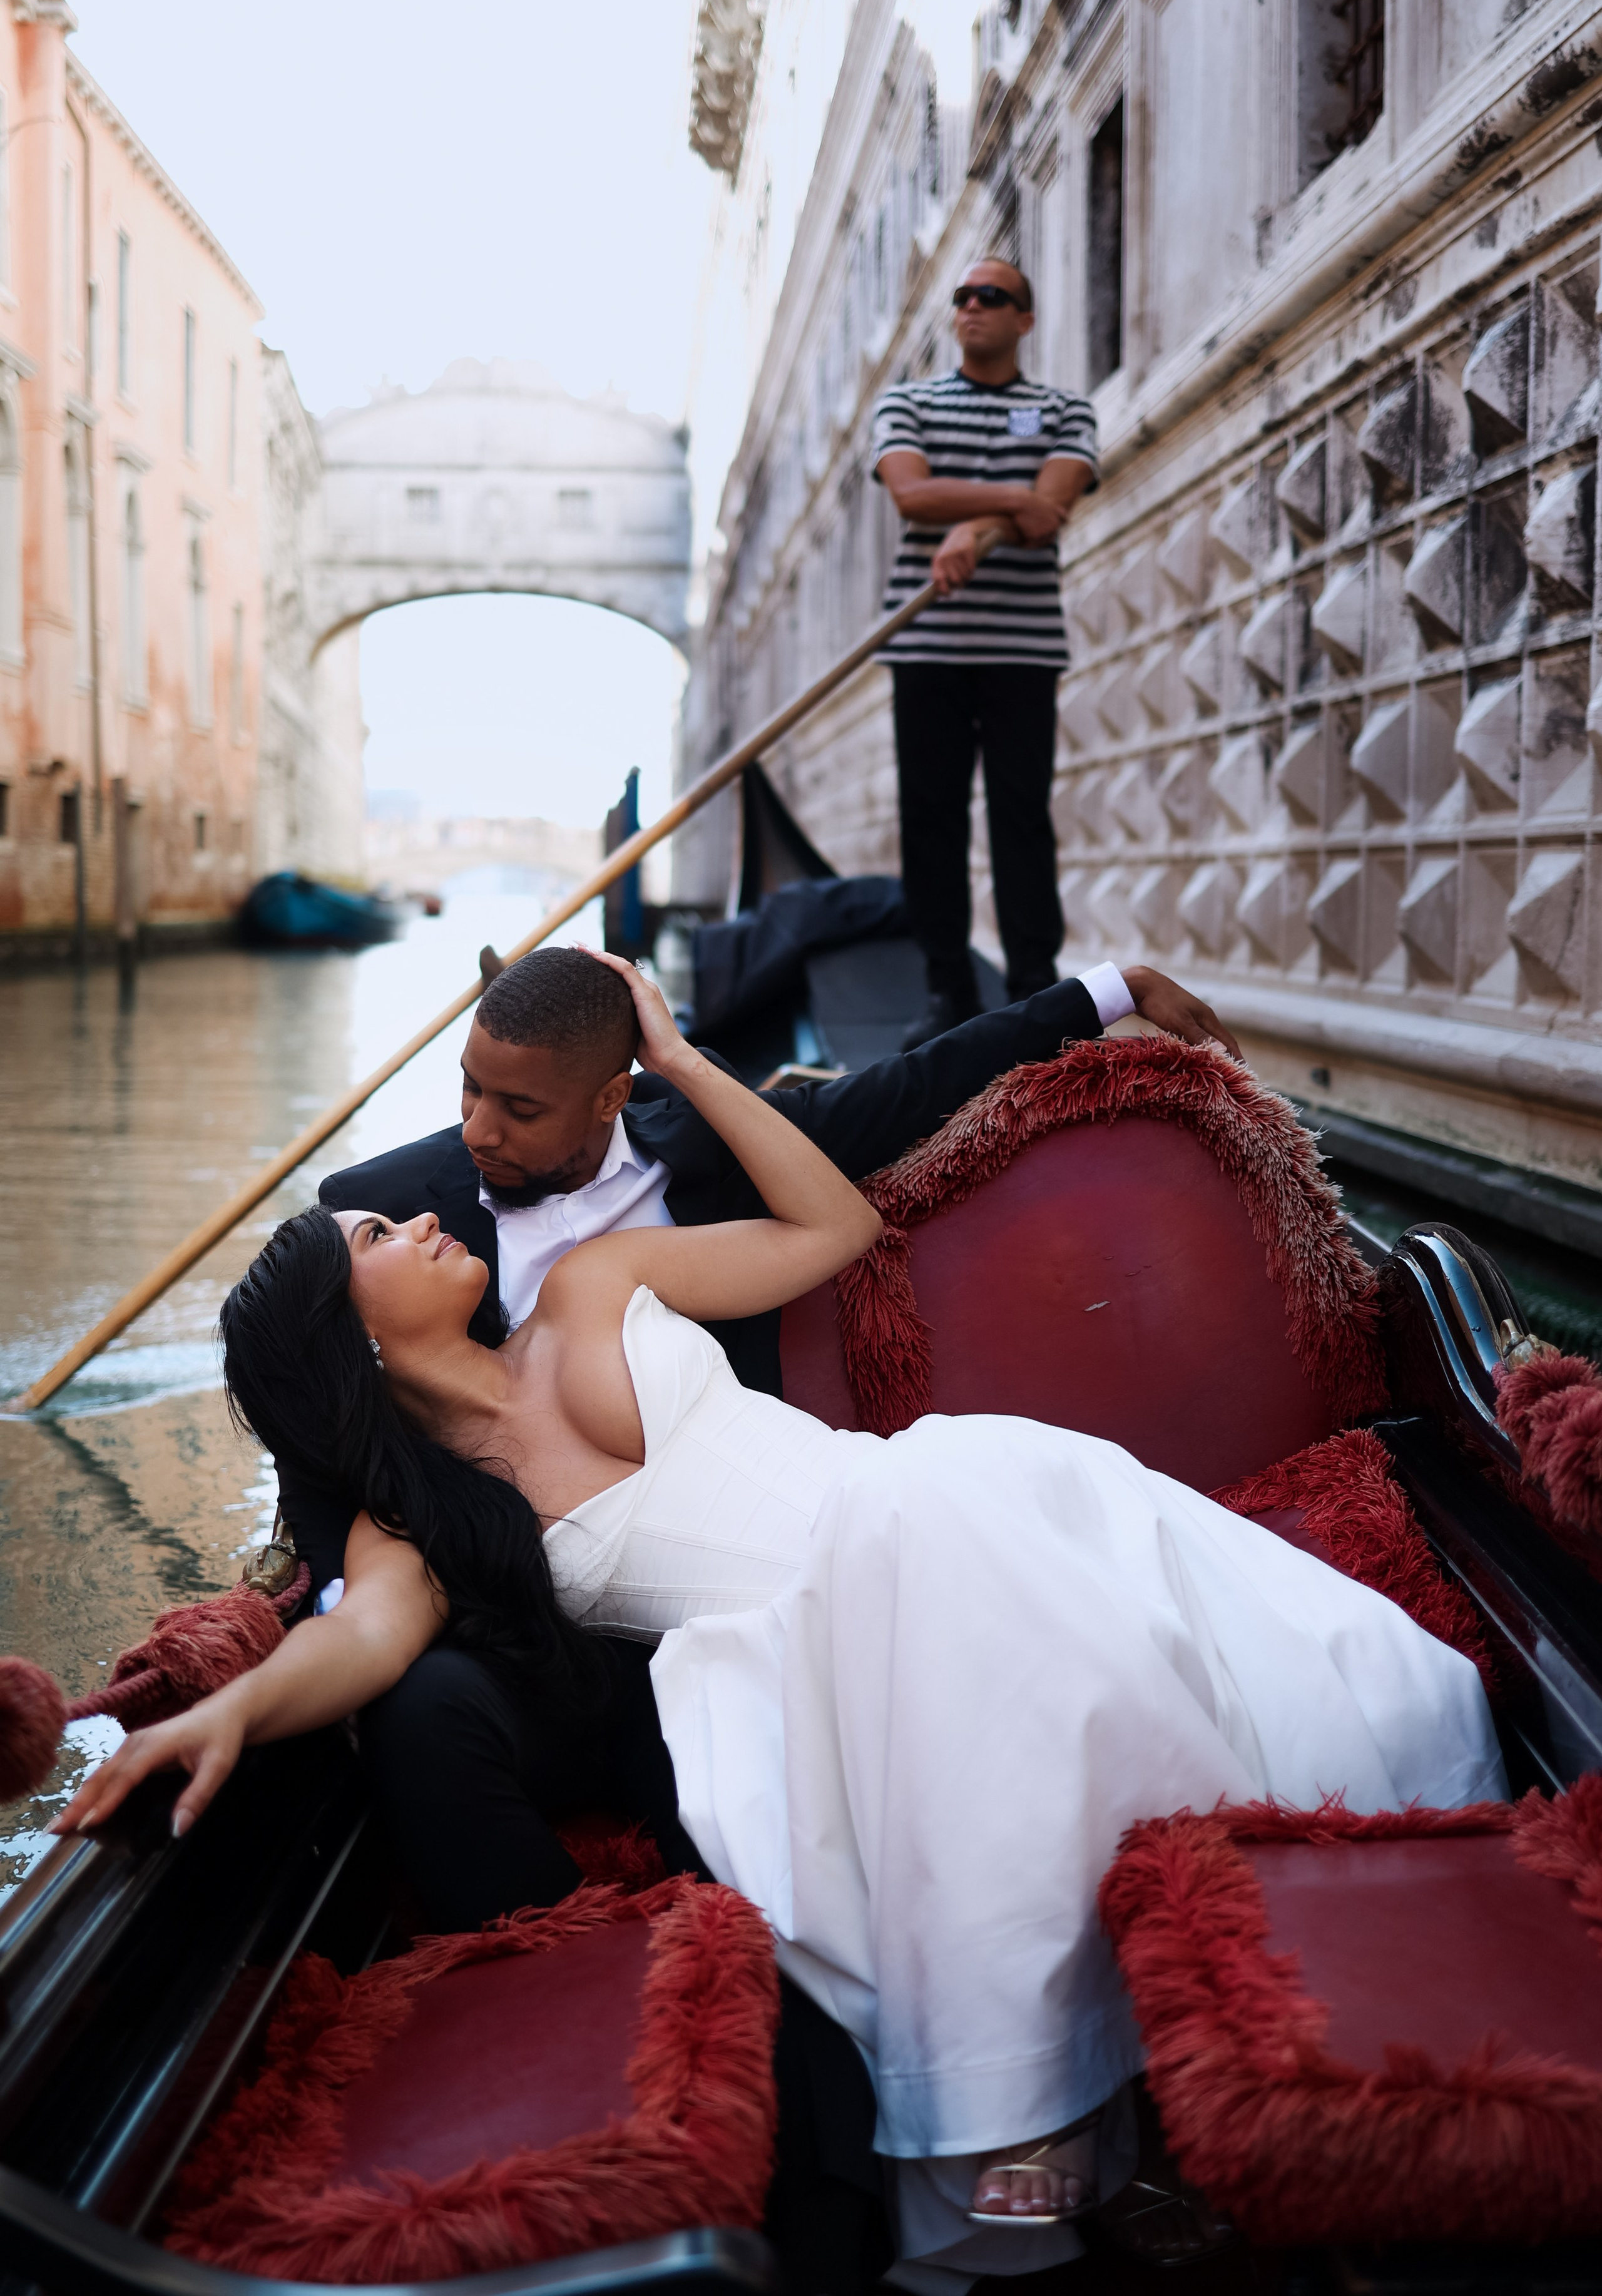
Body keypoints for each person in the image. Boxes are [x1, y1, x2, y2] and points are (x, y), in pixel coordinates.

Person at [58, 953, 1505, 2288]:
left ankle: (1152, 2096)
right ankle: (1054, 2169)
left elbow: (838, 1224)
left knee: (979, 1591)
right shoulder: (426, 1509)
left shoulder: (589, 1281)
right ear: (353, 1337)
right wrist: (228, 1705)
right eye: (378, 1231)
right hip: (783, 1647)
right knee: (964, 1681)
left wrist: (678, 1063)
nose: (423, 1204)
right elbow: (360, 1636)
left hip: (908, 1508)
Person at [280, 941, 1238, 1936]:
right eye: (469, 1090)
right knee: (425, 1709)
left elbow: (916, 1088)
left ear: (612, 1095)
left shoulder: (707, 1145)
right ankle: (555, 1974)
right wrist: (348, 1591)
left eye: (518, 1110)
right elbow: (330, 1432)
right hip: (554, 1626)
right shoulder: (393, 1209)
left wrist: (1112, 990)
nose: (478, 1129)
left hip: (761, 1590)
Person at [874, 255, 1097, 1049]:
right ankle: (948, 991)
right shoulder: (907, 402)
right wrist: (1005, 499)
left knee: (1020, 819)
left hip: (1022, 648)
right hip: (926, 645)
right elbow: (911, 494)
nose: (971, 307)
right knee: (930, 822)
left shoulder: (1067, 410)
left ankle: (1036, 988)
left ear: (1023, 319)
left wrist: (973, 525)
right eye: (963, 297)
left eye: (990, 297)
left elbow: (1054, 510)